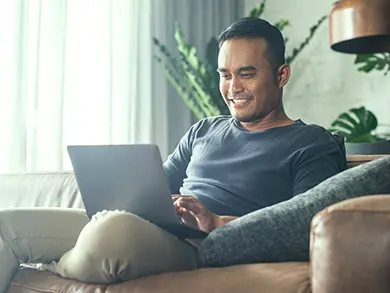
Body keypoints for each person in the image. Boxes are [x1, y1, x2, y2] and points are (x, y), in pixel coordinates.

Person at [0, 17, 346, 292]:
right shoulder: (205, 130)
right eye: (225, 75)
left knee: (111, 232)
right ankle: (74, 251)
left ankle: (52, 263)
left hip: (201, 246)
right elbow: (151, 192)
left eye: (247, 74)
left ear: (281, 74)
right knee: (8, 223)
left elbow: (309, 229)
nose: (233, 88)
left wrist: (216, 223)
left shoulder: (311, 144)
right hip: (152, 231)